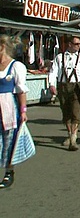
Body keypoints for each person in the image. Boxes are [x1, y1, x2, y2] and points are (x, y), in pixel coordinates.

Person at [48, 36, 80, 151]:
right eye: (76, 44)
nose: (78, 46)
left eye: (79, 44)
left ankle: (73, 139)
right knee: (66, 113)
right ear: (69, 44)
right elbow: (53, 72)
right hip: (63, 87)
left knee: (75, 113)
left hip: (76, 87)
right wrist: (51, 85)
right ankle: (70, 135)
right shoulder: (60, 57)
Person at [0, 35, 30, 188]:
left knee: (8, 141)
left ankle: (8, 172)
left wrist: (23, 111)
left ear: (2, 47)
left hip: (8, 108)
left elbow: (21, 91)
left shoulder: (15, 66)